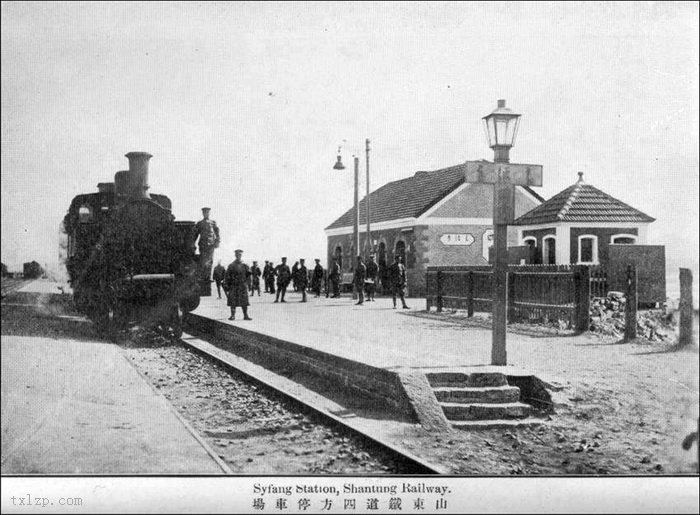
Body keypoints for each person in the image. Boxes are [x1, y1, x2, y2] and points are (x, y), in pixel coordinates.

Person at [191, 207, 220, 295]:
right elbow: (195, 234)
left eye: (207, 212)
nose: (206, 214)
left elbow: (217, 233)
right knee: (203, 261)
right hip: (203, 245)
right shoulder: (200, 223)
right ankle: (203, 277)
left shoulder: (213, 223)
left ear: (209, 213)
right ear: (203, 213)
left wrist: (217, 242)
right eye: (204, 212)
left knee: (210, 261)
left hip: (211, 245)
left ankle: (208, 277)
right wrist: (193, 244)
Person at [224, 249, 252, 320]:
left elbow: (249, 276)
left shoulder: (245, 265)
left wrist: (250, 285)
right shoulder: (231, 265)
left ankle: (245, 315)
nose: (238, 256)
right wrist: (226, 284)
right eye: (237, 255)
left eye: (240, 255)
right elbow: (227, 276)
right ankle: (232, 315)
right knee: (233, 300)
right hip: (234, 285)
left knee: (244, 301)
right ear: (235, 255)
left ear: (241, 255)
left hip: (243, 285)